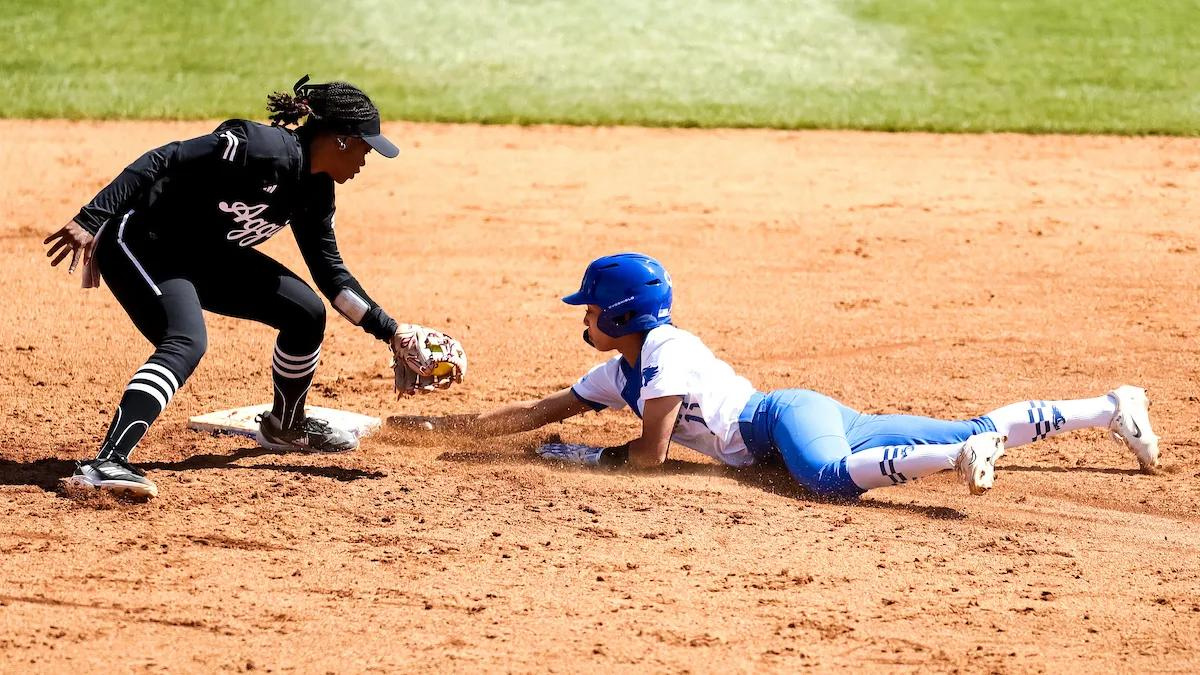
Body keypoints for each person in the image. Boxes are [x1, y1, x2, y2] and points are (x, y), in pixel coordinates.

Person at [392, 253, 1160, 499]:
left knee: (827, 478)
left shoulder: (663, 357)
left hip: (777, 420)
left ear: (621, 316)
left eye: (591, 308)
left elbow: (651, 457)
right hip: (798, 413)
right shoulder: (620, 368)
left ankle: (960, 460)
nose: (581, 316)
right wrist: (446, 430)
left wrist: (578, 456)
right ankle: (1110, 406)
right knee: (964, 422)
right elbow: (538, 408)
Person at [43, 76, 466, 499]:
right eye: (365, 147)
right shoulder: (258, 146)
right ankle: (107, 463)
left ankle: (286, 426)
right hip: (143, 243)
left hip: (207, 257)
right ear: (340, 140)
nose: (366, 158)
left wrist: (391, 331)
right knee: (185, 341)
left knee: (306, 312)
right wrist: (92, 216)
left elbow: (332, 277)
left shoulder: (316, 191)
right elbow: (165, 157)